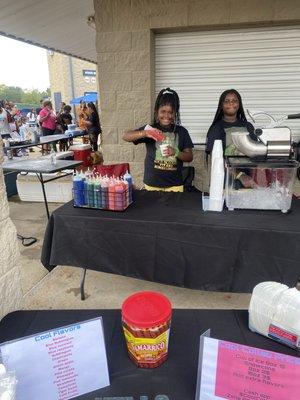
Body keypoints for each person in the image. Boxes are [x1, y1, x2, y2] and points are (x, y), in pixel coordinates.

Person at [123, 87, 194, 192]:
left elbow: (189, 157)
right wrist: (145, 133)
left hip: (175, 186)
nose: (166, 115)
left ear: (175, 113)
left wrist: (176, 152)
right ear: (157, 112)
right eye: (163, 111)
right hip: (152, 184)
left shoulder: (182, 131)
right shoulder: (150, 129)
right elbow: (126, 136)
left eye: (170, 112)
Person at [205, 89, 256, 188]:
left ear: (239, 104)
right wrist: (240, 175)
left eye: (234, 101)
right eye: (227, 101)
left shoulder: (248, 126)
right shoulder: (216, 128)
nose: (231, 103)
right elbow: (216, 160)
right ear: (221, 105)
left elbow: (255, 154)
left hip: (248, 182)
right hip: (223, 183)